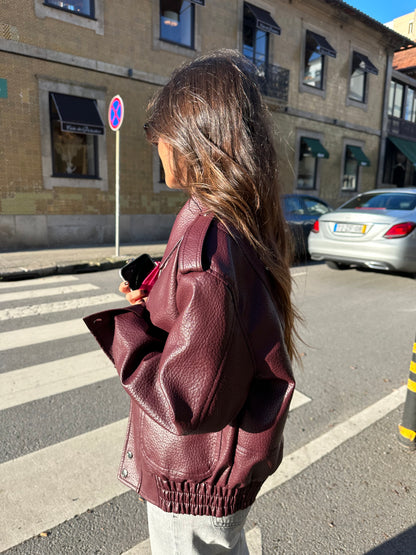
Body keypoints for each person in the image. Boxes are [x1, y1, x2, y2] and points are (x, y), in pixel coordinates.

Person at [84, 49, 298, 555]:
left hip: (195, 475)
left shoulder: (211, 242)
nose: (155, 144)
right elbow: (213, 329)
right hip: (211, 467)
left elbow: (188, 400)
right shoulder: (230, 214)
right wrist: (158, 295)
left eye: (162, 132)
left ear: (197, 140)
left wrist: (129, 330)